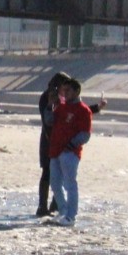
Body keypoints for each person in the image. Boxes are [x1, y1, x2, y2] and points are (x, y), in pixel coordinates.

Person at [48, 77, 93, 227]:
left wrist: (71, 145)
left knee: (70, 184)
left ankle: (71, 216)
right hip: (55, 151)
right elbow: (49, 121)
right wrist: (50, 105)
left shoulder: (83, 110)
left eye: (68, 90)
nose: (65, 93)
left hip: (69, 152)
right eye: (63, 90)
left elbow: (85, 134)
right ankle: (63, 211)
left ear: (76, 91)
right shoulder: (61, 107)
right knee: (55, 183)